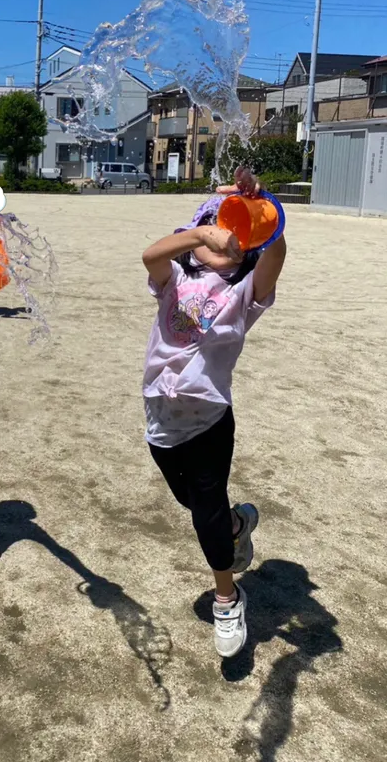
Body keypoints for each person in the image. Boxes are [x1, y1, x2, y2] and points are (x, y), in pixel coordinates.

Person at [141, 168, 286, 658]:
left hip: (207, 417)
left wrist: (265, 215)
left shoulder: (242, 295)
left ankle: (228, 598)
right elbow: (150, 255)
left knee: (203, 505)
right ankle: (235, 527)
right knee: (193, 503)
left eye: (231, 239)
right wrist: (201, 229)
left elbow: (273, 258)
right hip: (160, 414)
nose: (221, 241)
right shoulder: (174, 279)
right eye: (210, 232)